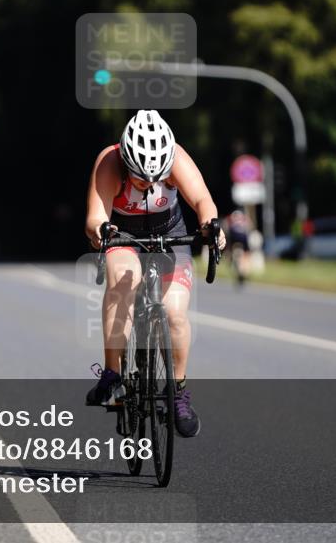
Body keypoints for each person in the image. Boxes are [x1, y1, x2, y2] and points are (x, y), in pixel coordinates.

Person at [84, 110, 225, 438]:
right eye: (139, 179)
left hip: (170, 234)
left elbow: (203, 200)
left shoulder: (175, 157)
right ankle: (112, 374)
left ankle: (178, 392)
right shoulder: (109, 162)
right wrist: (100, 230)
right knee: (124, 280)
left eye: (154, 178)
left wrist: (210, 227)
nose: (148, 184)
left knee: (175, 313)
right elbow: (94, 216)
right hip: (124, 236)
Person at [225, 207, 252, 278]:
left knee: (229, 248)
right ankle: (246, 269)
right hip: (243, 236)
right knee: (247, 251)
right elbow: (249, 225)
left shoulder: (231, 215)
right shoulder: (244, 216)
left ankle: (229, 260)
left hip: (233, 235)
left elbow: (226, 225)